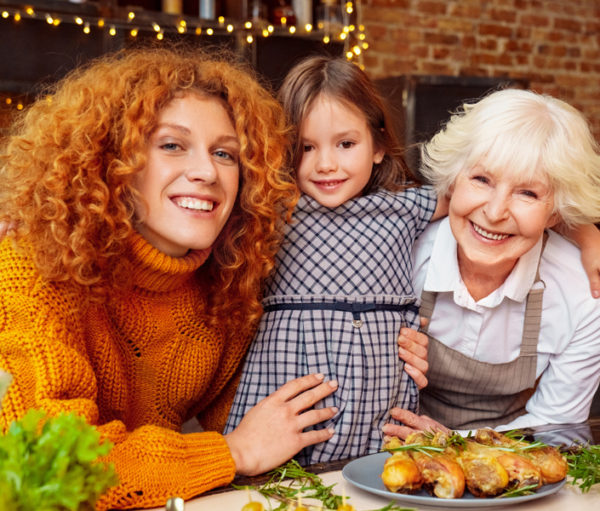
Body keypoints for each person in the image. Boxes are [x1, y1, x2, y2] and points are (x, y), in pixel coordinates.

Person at [0, 46, 340, 510]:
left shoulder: (228, 285)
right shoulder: (33, 267)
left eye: (225, 153)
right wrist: (232, 452)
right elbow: (61, 467)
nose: (206, 172)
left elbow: (272, 422)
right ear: (110, 159)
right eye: (172, 145)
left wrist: (397, 348)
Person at [225, 55, 447, 464]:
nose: (326, 164)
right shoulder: (273, 209)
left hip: (381, 404)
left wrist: (586, 233)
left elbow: (484, 197)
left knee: (383, 486)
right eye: (306, 147)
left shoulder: (405, 206)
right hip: (292, 396)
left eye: (346, 144)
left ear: (378, 146)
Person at [382, 88, 600, 438]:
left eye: (528, 193)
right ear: (453, 180)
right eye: (481, 180)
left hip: (512, 464)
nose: (495, 213)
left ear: (555, 213)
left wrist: (452, 446)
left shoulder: (584, 295)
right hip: (385, 449)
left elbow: (554, 426)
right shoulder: (397, 254)